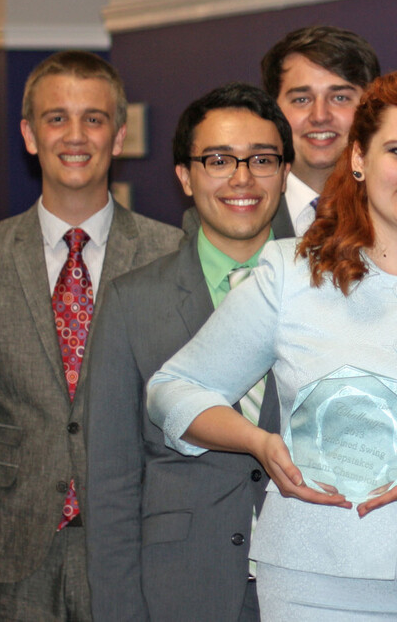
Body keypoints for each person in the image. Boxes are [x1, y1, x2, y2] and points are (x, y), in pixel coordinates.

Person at [147, 66, 397, 621]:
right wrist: (260, 443)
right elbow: (173, 389)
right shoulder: (292, 271)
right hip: (313, 581)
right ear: (358, 158)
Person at [0, 51, 182, 622]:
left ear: (118, 136)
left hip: (136, 549)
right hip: (11, 558)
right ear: (28, 134)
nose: (76, 136)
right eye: (56, 118)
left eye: (93, 119)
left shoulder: (170, 255)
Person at [84, 83, 291, 621]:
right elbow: (110, 482)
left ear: (286, 172)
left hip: (305, 583)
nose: (242, 178)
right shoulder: (133, 300)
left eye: (262, 159)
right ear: (185, 175)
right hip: (180, 588)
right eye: (219, 160)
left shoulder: (330, 290)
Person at [260, 25, 380, 236]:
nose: (320, 116)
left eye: (340, 97)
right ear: (273, 112)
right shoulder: (236, 213)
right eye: (301, 99)